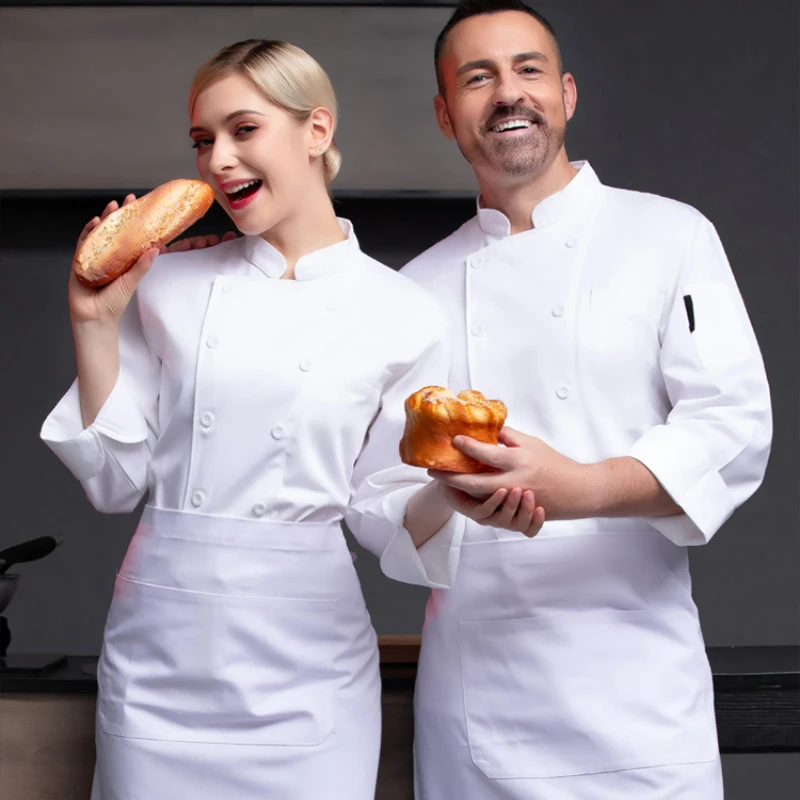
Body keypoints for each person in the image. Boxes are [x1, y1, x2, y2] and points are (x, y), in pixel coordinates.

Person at [40, 37, 537, 800]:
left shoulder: (400, 312)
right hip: (161, 657)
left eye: (244, 130)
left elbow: (382, 506)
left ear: (316, 130)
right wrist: (94, 322)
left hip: (307, 665)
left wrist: (460, 490)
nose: (219, 161)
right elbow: (112, 483)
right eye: (204, 141)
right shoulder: (166, 283)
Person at [394, 2, 772, 799]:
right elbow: (373, 492)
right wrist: (449, 494)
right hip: (480, 703)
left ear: (566, 93)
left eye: (528, 69)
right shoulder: (411, 292)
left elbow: (733, 425)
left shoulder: (671, 236)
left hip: (638, 696)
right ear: (444, 114)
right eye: (477, 77)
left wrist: (585, 487)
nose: (507, 93)